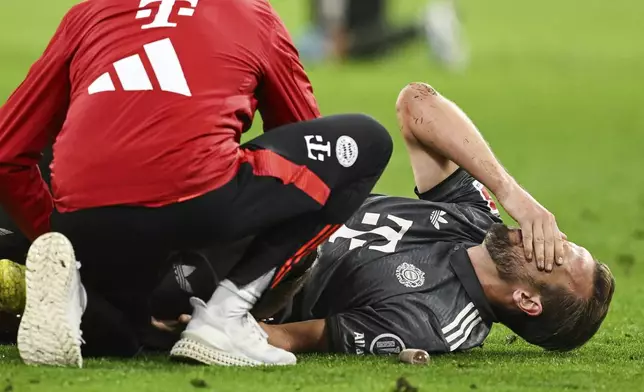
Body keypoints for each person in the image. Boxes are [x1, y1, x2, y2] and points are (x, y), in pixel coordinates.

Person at [2, 82, 613, 356]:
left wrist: (186, 328)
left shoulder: (434, 320)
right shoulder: (466, 217)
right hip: (236, 208)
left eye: (559, 255)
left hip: (231, 272)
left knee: (61, 251)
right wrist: (514, 194)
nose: (549, 236)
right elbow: (417, 104)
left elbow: (296, 336)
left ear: (530, 301)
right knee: (71, 173)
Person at [0, 0, 393, 368]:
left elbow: (7, 153)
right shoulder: (252, 13)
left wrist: (54, 236)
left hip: (83, 217)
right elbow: (303, 134)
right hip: (199, 204)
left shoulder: (89, 12)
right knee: (366, 142)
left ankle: (78, 288)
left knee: (128, 337)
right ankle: (226, 316)